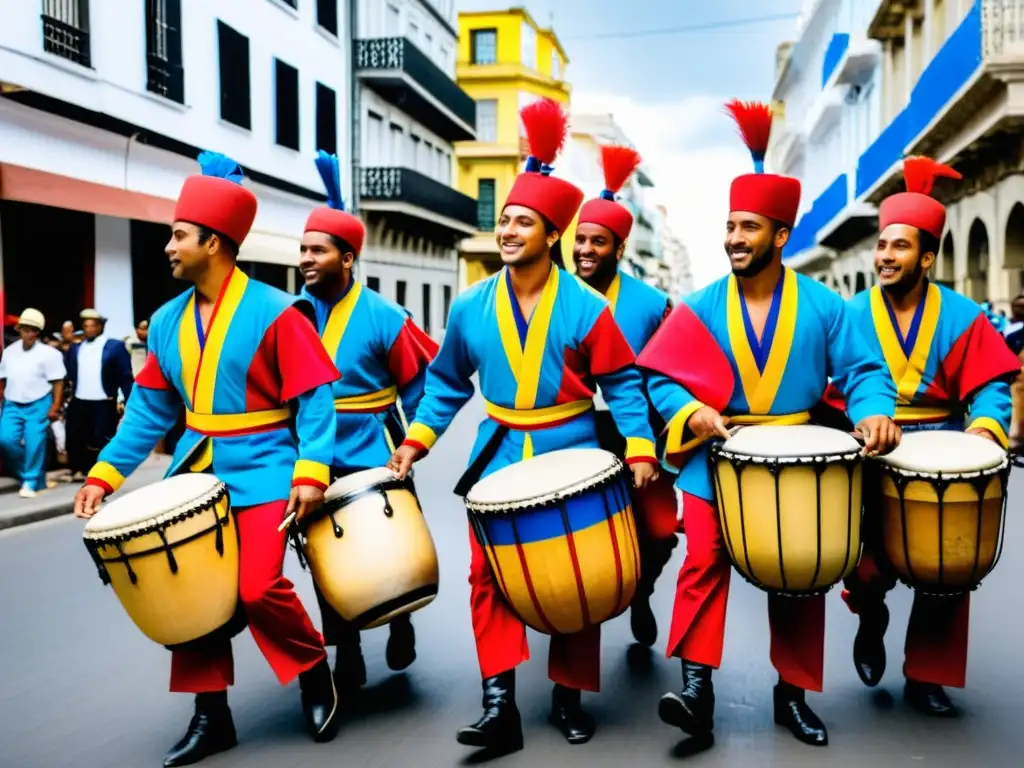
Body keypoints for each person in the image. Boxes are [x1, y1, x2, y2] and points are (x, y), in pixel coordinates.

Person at [386, 99, 660, 753]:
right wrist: (415, 443)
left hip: (576, 454)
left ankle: (568, 698)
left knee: (579, 576)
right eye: (504, 220)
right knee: (487, 577)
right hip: (499, 454)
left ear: (550, 234)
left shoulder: (589, 307)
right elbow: (448, 382)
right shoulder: (471, 304)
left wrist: (643, 447)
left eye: (521, 221)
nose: (506, 230)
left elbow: (622, 384)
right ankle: (498, 703)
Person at [636, 99, 901, 748]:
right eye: (729, 226)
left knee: (801, 573)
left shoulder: (825, 305)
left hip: (800, 456)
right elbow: (661, 378)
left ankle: (794, 693)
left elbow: (865, 372)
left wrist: (873, 414)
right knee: (702, 563)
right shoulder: (696, 306)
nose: (733, 238)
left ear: (781, 236)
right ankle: (696, 691)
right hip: (713, 457)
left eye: (748, 227)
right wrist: (689, 411)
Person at [72, 151, 343, 767]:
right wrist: (103, 475)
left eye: (178, 235)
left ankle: (312, 668)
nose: (168, 246)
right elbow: (146, 415)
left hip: (270, 464)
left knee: (258, 587)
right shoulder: (166, 321)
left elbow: (315, 403)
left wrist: (311, 473)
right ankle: (210, 716)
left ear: (214, 243)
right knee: (184, 590)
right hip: (198, 469)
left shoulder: (278, 311)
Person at [829, 156, 1023, 718]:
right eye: (882, 245)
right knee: (866, 570)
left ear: (928, 257)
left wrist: (983, 433)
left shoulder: (964, 316)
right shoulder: (850, 313)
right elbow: (828, 384)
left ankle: (927, 676)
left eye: (899, 247)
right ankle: (870, 617)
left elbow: (989, 389)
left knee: (947, 571)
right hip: (870, 451)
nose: (884, 256)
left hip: (942, 450)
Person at [298, 150, 439, 693]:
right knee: (325, 554)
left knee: (388, 547)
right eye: (303, 250)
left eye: (318, 250)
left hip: (377, 447)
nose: (307, 259)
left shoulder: (385, 316)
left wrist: (412, 445)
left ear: (348, 258)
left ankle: (400, 617)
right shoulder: (292, 314)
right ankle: (347, 650)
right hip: (313, 453)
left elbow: (419, 389)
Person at [572, 144, 680, 647]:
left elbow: (667, 372)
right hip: (574, 435)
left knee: (659, 531)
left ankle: (642, 591)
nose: (586, 250)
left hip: (636, 434)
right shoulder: (557, 297)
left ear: (619, 250)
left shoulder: (653, 303)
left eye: (598, 242)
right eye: (580, 240)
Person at [0, 309, 65, 497]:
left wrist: (55, 406)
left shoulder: (49, 354)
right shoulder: (10, 352)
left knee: (35, 444)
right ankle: (33, 476)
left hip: (39, 403)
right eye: (25, 329)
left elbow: (58, 382)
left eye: (32, 330)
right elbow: (3, 378)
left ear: (38, 332)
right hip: (12, 403)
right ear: (19, 330)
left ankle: (29, 481)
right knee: (5, 440)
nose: (28, 334)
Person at [64, 309, 134, 480]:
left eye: (93, 326)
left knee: (100, 436)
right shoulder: (76, 348)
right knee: (76, 434)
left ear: (101, 327)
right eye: (86, 326)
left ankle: (99, 469)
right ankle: (78, 469)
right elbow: (67, 373)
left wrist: (128, 400)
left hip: (104, 400)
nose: (89, 329)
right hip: (80, 399)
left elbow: (125, 375)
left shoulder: (114, 347)